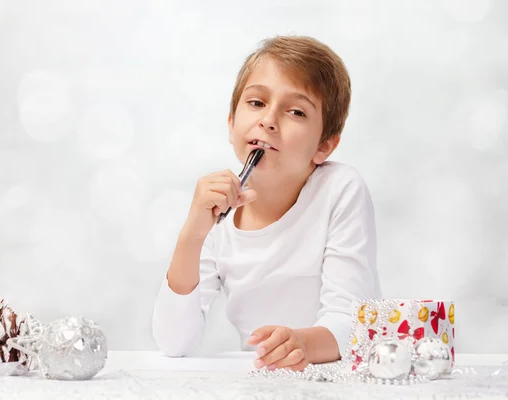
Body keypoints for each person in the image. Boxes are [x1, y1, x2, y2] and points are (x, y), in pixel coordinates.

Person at [152, 35, 382, 371]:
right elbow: (174, 342)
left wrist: (302, 343)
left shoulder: (340, 189)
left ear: (325, 145)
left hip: (340, 379)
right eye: (257, 103)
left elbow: (353, 324)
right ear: (231, 124)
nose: (269, 120)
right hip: (263, 384)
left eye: (296, 111)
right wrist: (192, 235)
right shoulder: (218, 209)